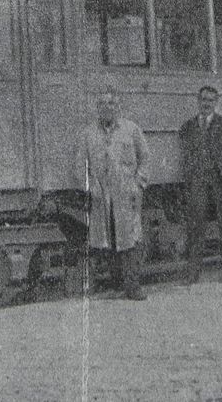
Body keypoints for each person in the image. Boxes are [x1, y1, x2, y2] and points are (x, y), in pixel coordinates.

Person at [76, 87, 150, 300]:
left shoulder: (131, 129)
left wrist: (138, 183)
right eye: (102, 103)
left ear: (119, 106)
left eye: (111, 103)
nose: (107, 107)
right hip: (102, 197)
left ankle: (133, 286)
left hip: (127, 194)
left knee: (131, 240)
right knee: (109, 240)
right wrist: (90, 186)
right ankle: (116, 282)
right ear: (97, 108)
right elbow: (79, 166)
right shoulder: (88, 133)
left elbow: (144, 158)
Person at [178, 86, 222, 284]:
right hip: (198, 183)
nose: (206, 103)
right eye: (203, 99)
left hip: (221, 183)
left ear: (216, 103)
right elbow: (185, 153)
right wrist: (190, 173)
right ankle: (193, 272)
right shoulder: (188, 126)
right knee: (196, 226)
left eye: (210, 100)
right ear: (198, 101)